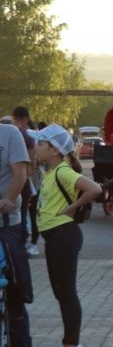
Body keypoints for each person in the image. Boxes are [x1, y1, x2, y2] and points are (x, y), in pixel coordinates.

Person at [31, 125, 101, 347]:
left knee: (67, 293)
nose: (35, 148)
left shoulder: (62, 171)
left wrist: (72, 208)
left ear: (54, 149)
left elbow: (94, 188)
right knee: (62, 293)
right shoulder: (51, 172)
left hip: (63, 236)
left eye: (40, 144)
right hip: (56, 237)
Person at [0, 119, 36, 347]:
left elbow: (20, 172)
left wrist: (9, 199)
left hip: (6, 221)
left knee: (12, 281)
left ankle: (24, 346)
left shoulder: (9, 134)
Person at [11, 106, 39, 258]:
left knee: (25, 212)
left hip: (27, 179)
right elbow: (32, 163)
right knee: (26, 212)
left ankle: (27, 243)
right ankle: (28, 242)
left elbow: (31, 163)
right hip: (27, 179)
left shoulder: (25, 135)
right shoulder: (29, 135)